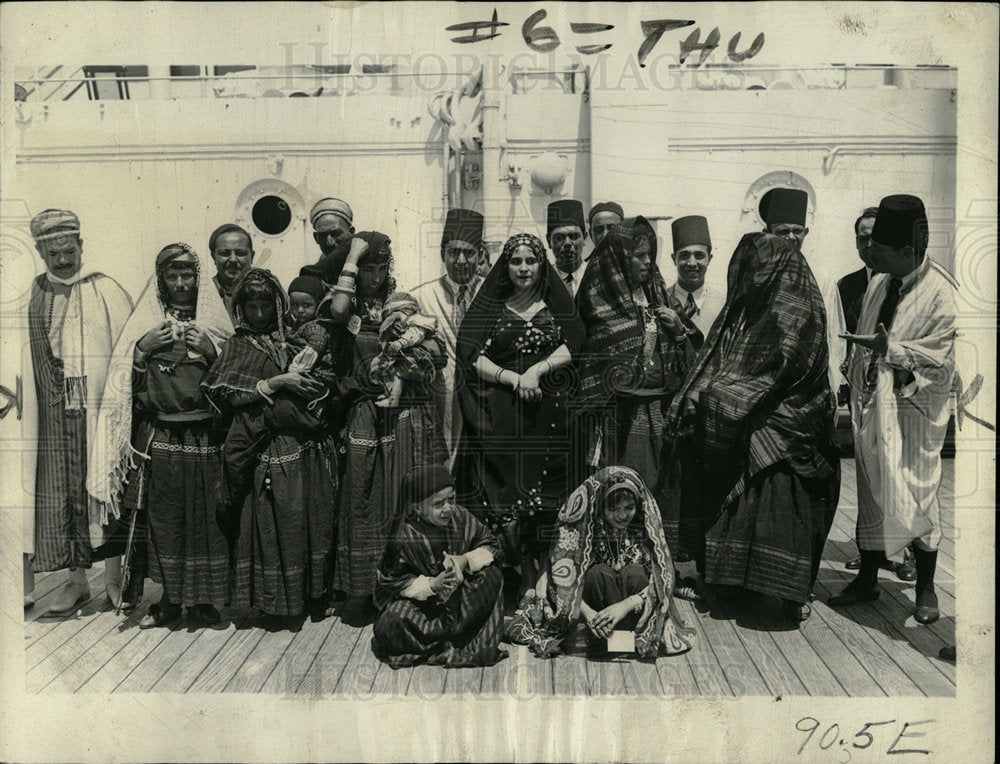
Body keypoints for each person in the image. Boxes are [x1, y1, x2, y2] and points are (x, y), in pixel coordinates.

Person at [666, 232, 840, 624]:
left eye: (755, 269)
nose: (748, 278)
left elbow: (776, 369)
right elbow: (719, 359)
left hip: (793, 424)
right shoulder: (745, 311)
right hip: (753, 416)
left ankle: (788, 591)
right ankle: (732, 579)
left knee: (776, 487)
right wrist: (704, 394)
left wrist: (727, 396)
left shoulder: (796, 309)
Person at [87, 243, 234, 627]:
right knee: (165, 523)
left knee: (206, 521)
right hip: (163, 438)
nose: (182, 282)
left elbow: (237, 380)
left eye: (188, 275)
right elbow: (125, 389)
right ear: (161, 281)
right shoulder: (144, 328)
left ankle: (204, 603)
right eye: (173, 275)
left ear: (199, 279)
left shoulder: (215, 326)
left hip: (206, 438)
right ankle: (169, 602)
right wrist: (139, 351)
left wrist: (214, 352)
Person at [829, 194, 957, 626]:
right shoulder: (882, 282)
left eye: (878, 248)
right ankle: (867, 577)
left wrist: (895, 354)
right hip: (871, 408)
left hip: (915, 417)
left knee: (918, 495)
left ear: (907, 251)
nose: (869, 253)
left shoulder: (942, 294)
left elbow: (945, 364)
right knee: (871, 492)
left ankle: (925, 588)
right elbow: (870, 336)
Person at [202, 268, 338, 628]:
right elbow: (228, 395)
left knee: (308, 520)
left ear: (278, 305)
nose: (259, 314)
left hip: (306, 448)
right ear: (240, 309)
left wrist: (308, 381)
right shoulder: (237, 345)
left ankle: (313, 595)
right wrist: (279, 382)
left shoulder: (296, 339)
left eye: (266, 305)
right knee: (270, 523)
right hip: (265, 448)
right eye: (252, 306)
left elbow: (324, 376)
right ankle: (272, 601)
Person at [454, 233, 586, 597]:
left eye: (531, 261)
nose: (524, 268)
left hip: (550, 413)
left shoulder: (554, 303)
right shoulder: (492, 306)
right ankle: (521, 571)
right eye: (516, 261)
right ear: (506, 266)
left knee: (548, 492)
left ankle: (546, 574)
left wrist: (537, 370)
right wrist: (514, 378)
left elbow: (575, 341)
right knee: (509, 492)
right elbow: (470, 353)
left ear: (541, 264)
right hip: (503, 414)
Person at [324, 232, 448, 619]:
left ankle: (410, 588)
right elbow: (340, 313)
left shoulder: (403, 305)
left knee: (406, 500)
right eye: (367, 269)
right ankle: (362, 588)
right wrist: (352, 256)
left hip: (408, 414)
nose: (374, 277)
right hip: (366, 415)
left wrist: (410, 362)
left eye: (380, 268)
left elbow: (435, 350)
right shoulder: (343, 303)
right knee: (363, 500)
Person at [23, 209, 133, 616]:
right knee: (61, 498)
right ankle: (75, 582)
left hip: (98, 405)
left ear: (81, 246)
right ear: (40, 251)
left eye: (69, 251)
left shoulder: (104, 289)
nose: (64, 261)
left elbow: (126, 348)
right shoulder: (33, 292)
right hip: (51, 409)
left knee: (102, 490)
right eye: (54, 255)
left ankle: (113, 580)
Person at [575, 217, 697, 568]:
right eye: (639, 255)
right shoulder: (600, 302)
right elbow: (595, 365)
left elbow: (683, 361)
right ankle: (620, 568)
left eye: (650, 255)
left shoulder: (657, 295)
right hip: (619, 418)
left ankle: (658, 565)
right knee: (622, 492)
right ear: (619, 258)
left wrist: (676, 331)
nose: (648, 262)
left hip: (658, 411)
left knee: (658, 490)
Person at [504, 466, 696, 660]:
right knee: (598, 573)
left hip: (632, 612)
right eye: (614, 509)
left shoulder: (644, 531)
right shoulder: (585, 534)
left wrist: (626, 605)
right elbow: (563, 585)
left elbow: (663, 580)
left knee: (635, 575)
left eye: (629, 508)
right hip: (594, 616)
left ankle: (616, 642)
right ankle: (617, 642)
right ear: (601, 507)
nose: (622, 516)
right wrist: (590, 616)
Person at [833, 207, 918, 582]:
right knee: (868, 478)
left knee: (904, 478)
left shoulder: (911, 283)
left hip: (901, 393)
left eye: (874, 237)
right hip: (862, 391)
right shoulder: (847, 286)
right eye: (862, 237)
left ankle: (911, 552)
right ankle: (870, 558)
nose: (868, 244)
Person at [371, 464, 507, 668]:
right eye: (438, 504)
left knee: (492, 576)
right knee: (389, 624)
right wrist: (432, 585)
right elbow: (392, 581)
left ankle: (461, 635)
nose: (447, 508)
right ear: (417, 508)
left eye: (450, 500)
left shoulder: (460, 517)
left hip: (462, 602)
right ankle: (450, 643)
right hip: (426, 610)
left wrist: (464, 561)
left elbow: (489, 544)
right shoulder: (404, 536)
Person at [411, 209, 486, 464]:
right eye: (454, 252)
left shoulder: (494, 295)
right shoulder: (423, 297)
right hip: (444, 393)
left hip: (486, 392)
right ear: (443, 254)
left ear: (481, 254)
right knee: (445, 461)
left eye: (469, 252)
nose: (462, 260)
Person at [370, 292, 440, 408]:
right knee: (384, 365)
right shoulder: (403, 323)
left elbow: (416, 334)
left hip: (420, 355)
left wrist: (401, 342)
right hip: (408, 352)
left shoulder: (416, 320)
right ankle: (389, 392)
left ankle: (394, 399)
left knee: (400, 370)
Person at [665, 215, 725, 347]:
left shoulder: (723, 305)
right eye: (684, 255)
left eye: (699, 256)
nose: (692, 263)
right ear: (673, 258)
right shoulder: (662, 301)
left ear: (709, 259)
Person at [208, 223, 255, 313]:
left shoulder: (270, 290)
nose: (233, 260)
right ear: (214, 257)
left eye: (240, 253)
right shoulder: (205, 294)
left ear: (252, 256)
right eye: (225, 253)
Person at [547, 199, 588, 297]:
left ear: (585, 238)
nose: (567, 244)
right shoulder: (543, 280)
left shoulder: (595, 275)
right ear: (549, 241)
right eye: (559, 238)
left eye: (574, 236)